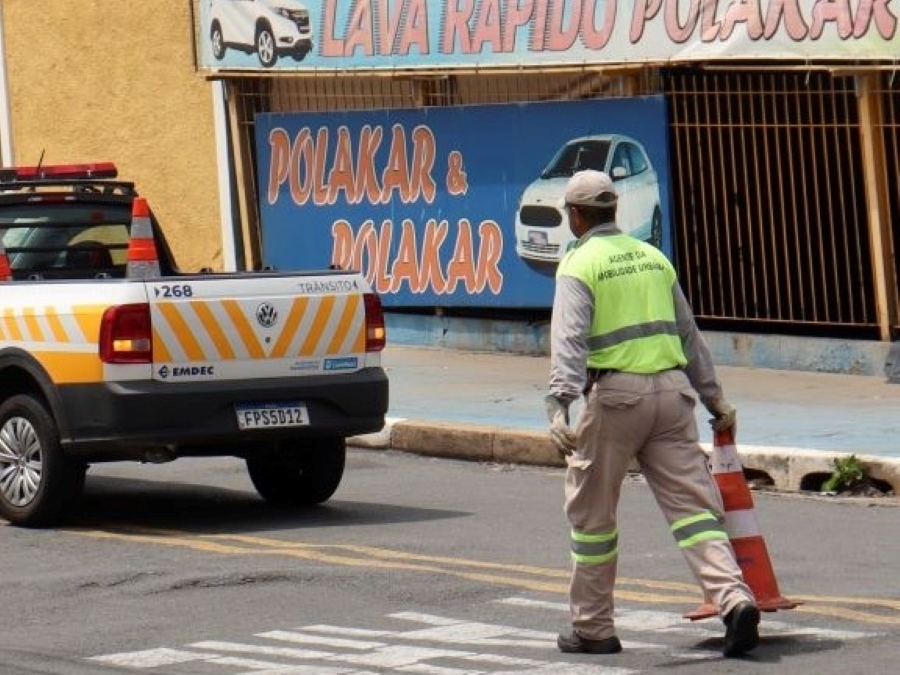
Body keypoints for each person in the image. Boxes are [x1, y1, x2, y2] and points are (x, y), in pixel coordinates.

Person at [545, 169, 760, 658]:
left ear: (575, 215)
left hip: (616, 399)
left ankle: (594, 628)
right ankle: (735, 599)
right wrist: (716, 400)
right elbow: (689, 336)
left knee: (593, 518)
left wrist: (559, 402)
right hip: (673, 397)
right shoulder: (653, 258)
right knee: (694, 512)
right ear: (614, 210)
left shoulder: (580, 264)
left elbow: (571, 339)